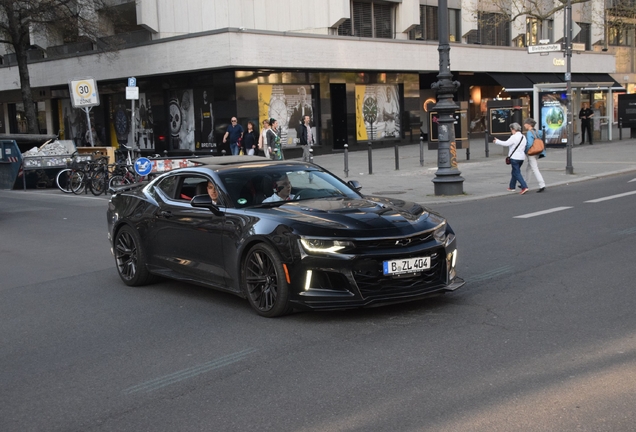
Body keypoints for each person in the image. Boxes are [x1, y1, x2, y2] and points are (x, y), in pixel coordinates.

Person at [493, 122, 529, 195]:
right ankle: (512, 186)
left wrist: (497, 141)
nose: (511, 131)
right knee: (514, 172)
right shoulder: (523, 137)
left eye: (511, 130)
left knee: (517, 172)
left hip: (514, 157)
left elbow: (506, 143)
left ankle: (524, 186)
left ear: (513, 129)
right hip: (521, 157)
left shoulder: (514, 137)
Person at [523, 118, 546, 193]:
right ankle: (525, 184)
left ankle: (541, 184)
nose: (524, 125)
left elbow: (529, 143)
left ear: (529, 124)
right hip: (538, 151)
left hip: (532, 152)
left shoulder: (529, 133)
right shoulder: (537, 131)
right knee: (528, 168)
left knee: (534, 168)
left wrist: (526, 150)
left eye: (525, 123)